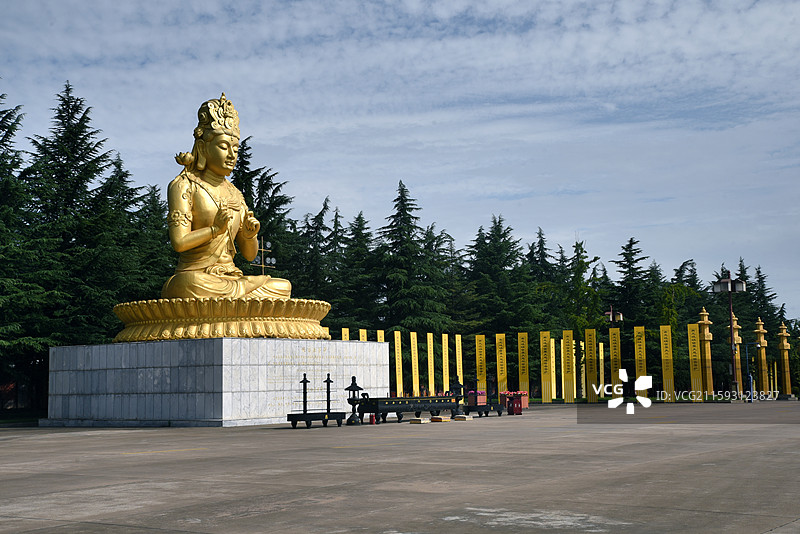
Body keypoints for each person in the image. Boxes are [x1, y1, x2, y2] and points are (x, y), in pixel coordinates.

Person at [161, 94, 291, 300]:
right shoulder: (184, 185)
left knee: (281, 286)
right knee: (188, 284)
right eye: (223, 147)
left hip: (231, 277)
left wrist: (249, 235)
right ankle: (238, 300)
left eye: (235, 149)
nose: (231, 155)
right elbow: (179, 242)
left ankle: (236, 298)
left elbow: (249, 255)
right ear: (203, 148)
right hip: (196, 277)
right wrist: (214, 230)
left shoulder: (235, 194)